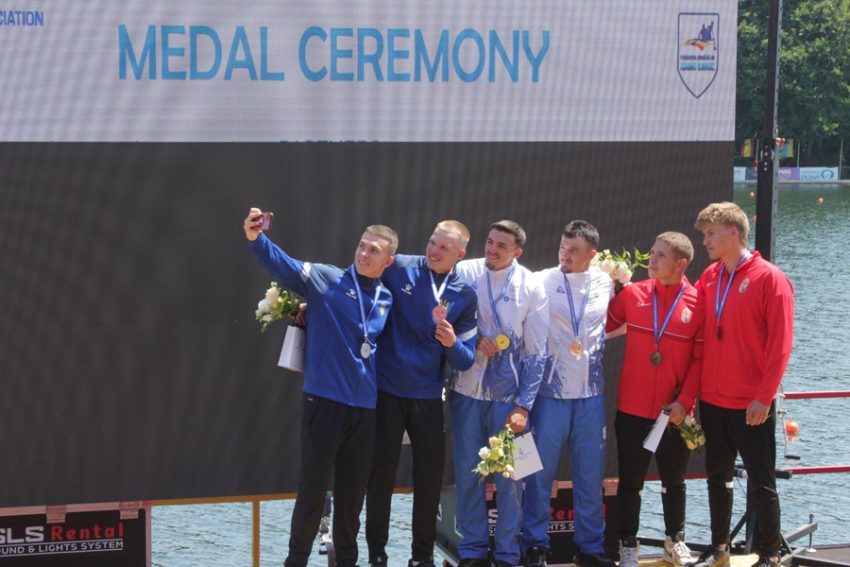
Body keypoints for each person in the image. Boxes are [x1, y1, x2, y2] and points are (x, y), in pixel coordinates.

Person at [243, 208, 397, 567]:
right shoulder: (325, 278)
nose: (364, 253)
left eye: (374, 250)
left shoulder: (387, 299)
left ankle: (347, 561)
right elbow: (283, 265)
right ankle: (295, 561)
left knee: (351, 498)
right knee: (311, 494)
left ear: (388, 260)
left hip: (364, 409)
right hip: (323, 403)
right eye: (362, 246)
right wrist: (256, 238)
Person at [687, 202, 794, 567]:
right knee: (718, 477)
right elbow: (690, 314)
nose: (705, 241)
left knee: (762, 482)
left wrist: (764, 397)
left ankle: (769, 554)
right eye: (704, 234)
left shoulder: (770, 278)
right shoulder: (711, 276)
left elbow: (781, 345)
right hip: (713, 399)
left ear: (734, 233)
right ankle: (719, 547)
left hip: (751, 402)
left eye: (710, 234)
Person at [366, 220, 479, 567]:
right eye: (432, 242)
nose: (434, 250)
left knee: (429, 479)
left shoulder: (464, 294)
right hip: (386, 389)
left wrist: (451, 343)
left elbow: (466, 359)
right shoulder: (398, 267)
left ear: (459, 254)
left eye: (444, 247)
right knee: (380, 475)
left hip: (428, 395)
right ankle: (377, 555)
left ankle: (421, 557)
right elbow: (357, 289)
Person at [448, 220, 549, 567]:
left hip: (511, 401)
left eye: (501, 246)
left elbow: (538, 352)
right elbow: (446, 322)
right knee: (469, 474)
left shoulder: (532, 285)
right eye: (489, 242)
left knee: (515, 479)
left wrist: (525, 405)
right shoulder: (464, 270)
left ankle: (508, 554)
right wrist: (472, 340)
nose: (491, 249)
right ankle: (473, 552)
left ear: (517, 252)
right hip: (466, 392)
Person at [605, 232, 703, 567]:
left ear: (681, 263)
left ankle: (674, 543)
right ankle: (627, 547)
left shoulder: (696, 301)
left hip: (673, 412)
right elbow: (601, 324)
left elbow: (699, 359)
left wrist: (685, 401)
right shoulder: (634, 294)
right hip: (632, 408)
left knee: (674, 483)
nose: (652, 260)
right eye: (651, 252)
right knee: (630, 483)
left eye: (661, 255)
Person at [522, 220, 615, 567]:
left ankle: (589, 548)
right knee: (537, 473)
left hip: (591, 393)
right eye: (563, 247)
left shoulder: (605, 281)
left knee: (590, 475)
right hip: (549, 393)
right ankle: (534, 545)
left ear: (592, 254)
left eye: (574, 250)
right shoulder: (542, 279)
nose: (565, 255)